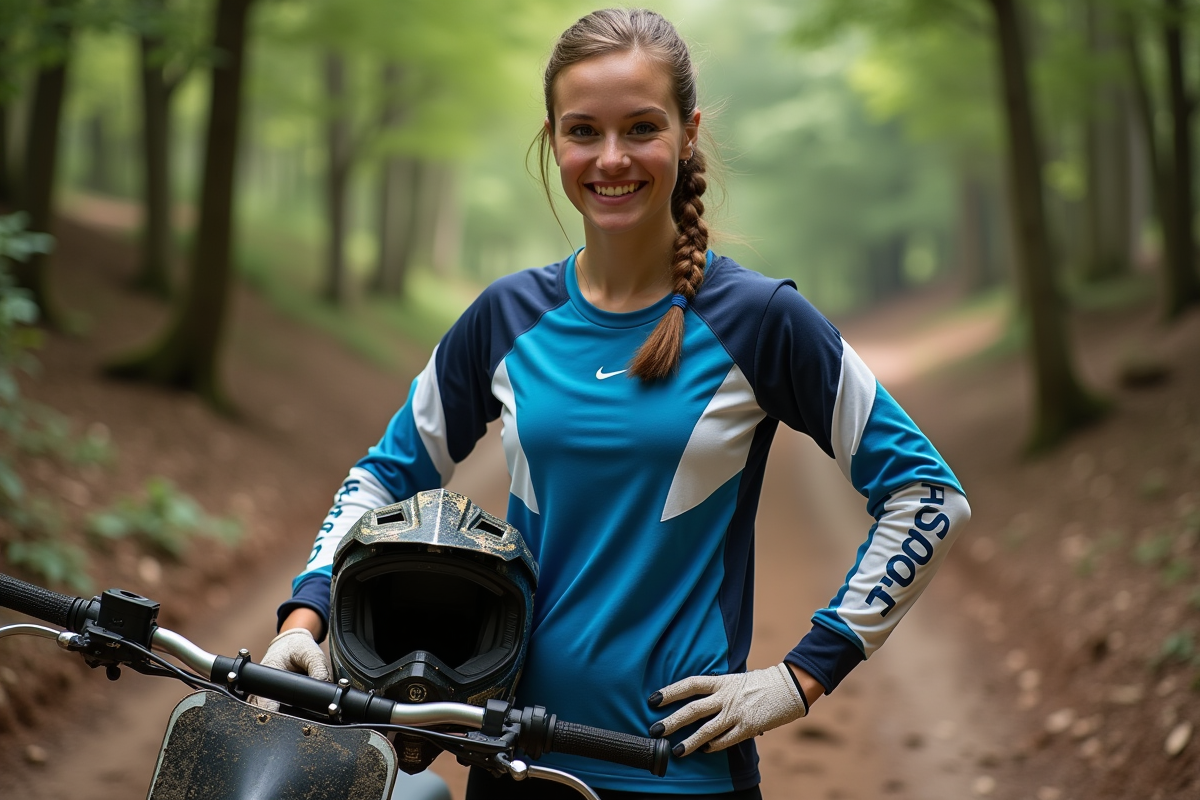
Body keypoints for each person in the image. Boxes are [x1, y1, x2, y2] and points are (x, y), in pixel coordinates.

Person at [260, 8, 970, 799]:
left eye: (640, 128)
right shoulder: (507, 316)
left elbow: (928, 495)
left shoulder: (760, 319)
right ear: (553, 140)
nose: (611, 158)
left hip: (681, 771)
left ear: (687, 132)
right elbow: (381, 477)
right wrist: (305, 615)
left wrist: (804, 674)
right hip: (513, 759)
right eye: (583, 131)